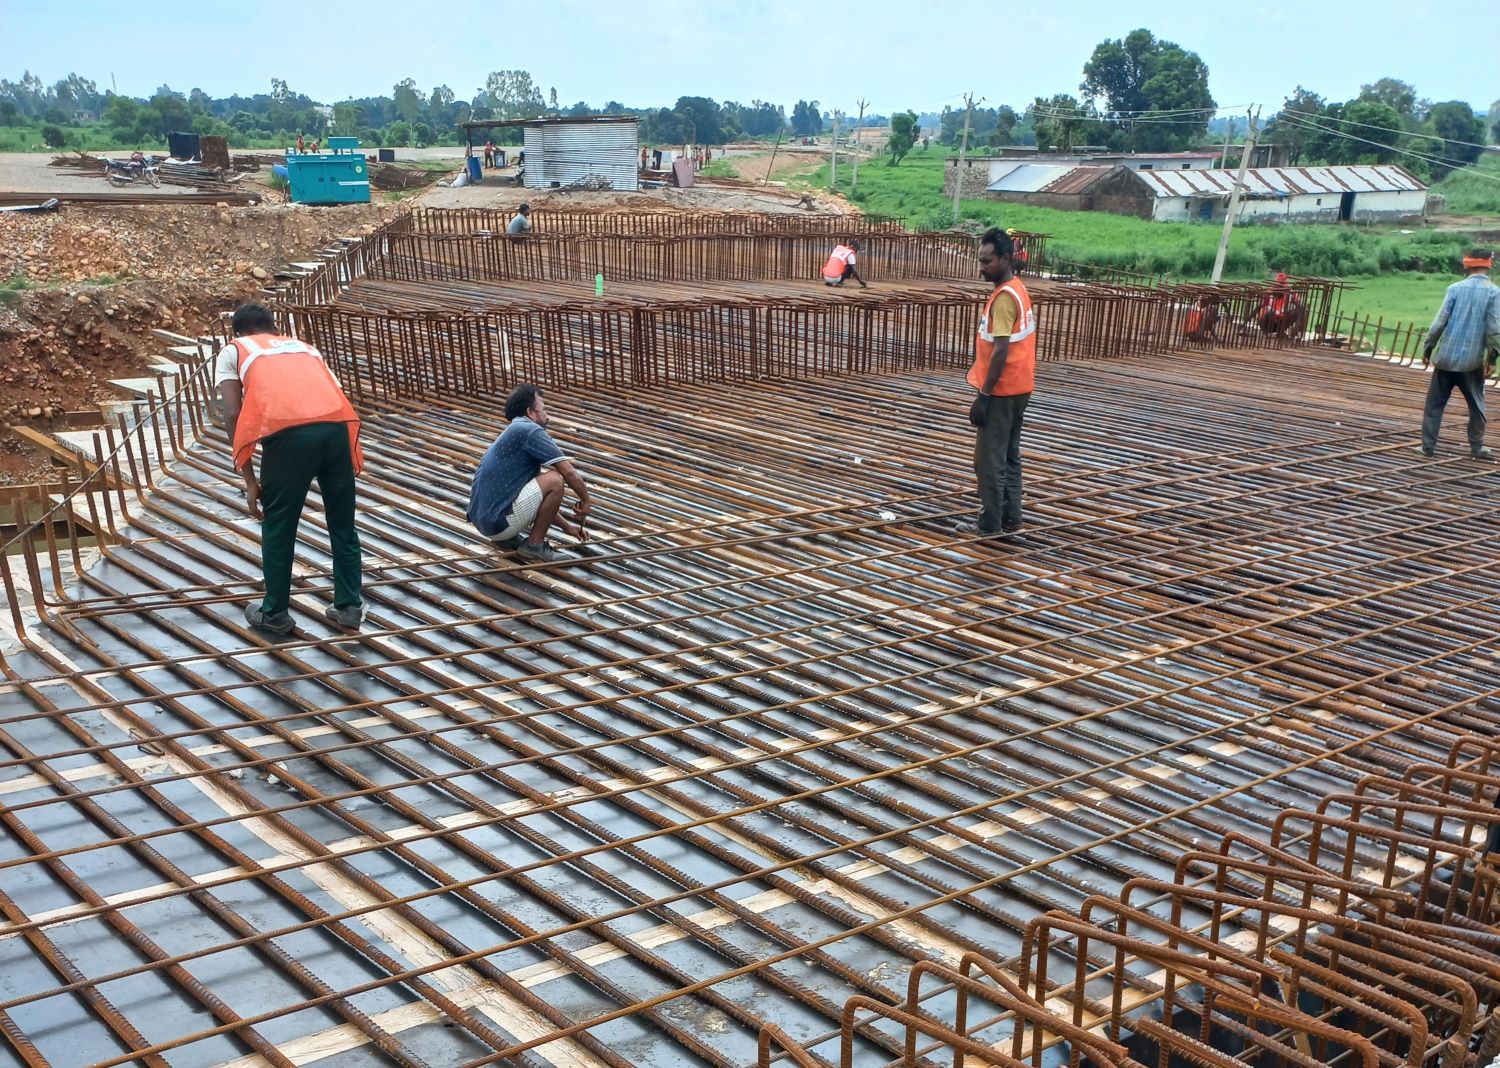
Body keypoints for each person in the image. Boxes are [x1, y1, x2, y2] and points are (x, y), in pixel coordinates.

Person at [215, 303, 364, 633]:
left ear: (237, 333)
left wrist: (250, 479)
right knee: (342, 522)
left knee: (279, 523)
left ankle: (275, 612)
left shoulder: (234, 350)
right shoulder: (305, 349)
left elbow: (231, 414)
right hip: (336, 430)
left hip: (288, 439)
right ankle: (350, 606)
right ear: (274, 327)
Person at [958, 228, 1036, 538]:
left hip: (1002, 391)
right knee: (1009, 454)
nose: (982, 268)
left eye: (988, 261)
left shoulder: (1004, 298)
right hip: (1021, 387)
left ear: (1006, 258)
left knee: (988, 460)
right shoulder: (1018, 288)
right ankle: (1011, 517)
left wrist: (985, 395)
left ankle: (989, 524)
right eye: (981, 261)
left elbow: (1001, 349)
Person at [467, 384, 591, 563]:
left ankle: (507, 538)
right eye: (543, 410)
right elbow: (569, 472)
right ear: (530, 412)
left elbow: (536, 499)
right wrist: (586, 501)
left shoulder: (514, 431)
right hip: (498, 524)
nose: (547, 416)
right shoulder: (530, 430)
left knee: (546, 482)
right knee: (555, 480)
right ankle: (535, 545)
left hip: (486, 524)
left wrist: (567, 528)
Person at [1419, 249, 1500, 459]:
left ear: (1467, 265)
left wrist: (1428, 347)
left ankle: (1427, 448)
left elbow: (1439, 323)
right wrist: (1492, 358)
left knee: (1434, 405)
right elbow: (1494, 328)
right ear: (1488, 265)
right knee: (1476, 406)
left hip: (1445, 359)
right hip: (1471, 364)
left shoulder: (1454, 288)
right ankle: (1477, 447)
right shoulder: (1494, 292)